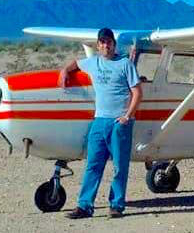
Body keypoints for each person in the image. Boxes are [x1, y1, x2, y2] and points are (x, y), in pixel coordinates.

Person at [60, 28, 142, 219]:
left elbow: (137, 92)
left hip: (119, 122)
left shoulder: (125, 64)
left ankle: (116, 205)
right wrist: (65, 70)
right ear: (98, 45)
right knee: (93, 164)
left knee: (120, 166)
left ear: (114, 45)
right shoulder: (93, 62)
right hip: (99, 121)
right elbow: (76, 64)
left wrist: (127, 116)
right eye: (102, 42)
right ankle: (84, 206)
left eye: (109, 42)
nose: (106, 45)